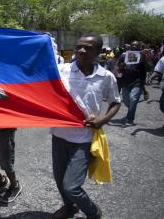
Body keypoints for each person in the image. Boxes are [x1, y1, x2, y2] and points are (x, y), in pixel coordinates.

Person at [50, 35, 121, 219]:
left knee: (71, 186)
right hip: (59, 135)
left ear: (99, 51)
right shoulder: (60, 71)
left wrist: (102, 120)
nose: (81, 51)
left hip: (84, 138)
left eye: (88, 48)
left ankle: (92, 212)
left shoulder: (106, 77)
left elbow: (115, 102)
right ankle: (69, 207)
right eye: (79, 47)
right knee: (59, 179)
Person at [118, 41, 147, 126]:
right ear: (129, 46)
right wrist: (121, 66)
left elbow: (150, 67)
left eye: (136, 45)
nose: (134, 46)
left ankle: (129, 119)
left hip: (138, 82)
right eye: (132, 45)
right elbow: (119, 69)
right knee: (127, 100)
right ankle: (131, 109)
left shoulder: (143, 56)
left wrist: (144, 57)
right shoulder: (123, 55)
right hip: (126, 81)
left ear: (140, 47)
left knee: (133, 98)